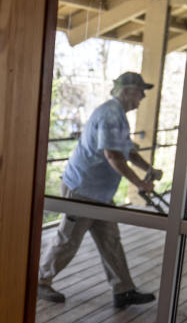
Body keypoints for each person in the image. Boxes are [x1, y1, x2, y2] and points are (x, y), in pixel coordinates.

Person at [37, 71, 161, 308]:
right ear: (126, 92)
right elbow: (113, 156)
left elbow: (126, 151)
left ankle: (123, 290)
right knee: (69, 239)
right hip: (83, 189)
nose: (143, 96)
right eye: (140, 91)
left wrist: (149, 169)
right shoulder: (111, 115)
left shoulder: (119, 116)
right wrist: (141, 184)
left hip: (100, 193)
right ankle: (41, 281)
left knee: (110, 240)